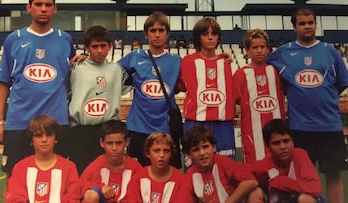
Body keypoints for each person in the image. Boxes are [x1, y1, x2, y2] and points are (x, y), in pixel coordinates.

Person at [267, 7, 348, 203]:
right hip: (299, 128)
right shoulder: (283, 53)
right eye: (302, 23)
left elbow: (341, 83)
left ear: (316, 24)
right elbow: (260, 66)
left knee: (334, 175)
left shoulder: (331, 52)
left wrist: (323, 98)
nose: (307, 27)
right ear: (294, 27)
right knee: (301, 179)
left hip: (330, 126)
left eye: (310, 22)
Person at [0, 0, 74, 177]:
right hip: (19, 122)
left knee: (57, 178)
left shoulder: (65, 40)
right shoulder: (14, 39)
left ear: (55, 8)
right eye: (38, 4)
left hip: (56, 122)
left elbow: (73, 78)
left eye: (48, 4)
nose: (43, 9)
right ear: (28, 7)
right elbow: (3, 82)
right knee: (14, 177)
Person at [117, 11, 182, 168]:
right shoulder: (134, 57)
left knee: (167, 176)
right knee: (137, 175)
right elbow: (106, 71)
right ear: (146, 34)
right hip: (139, 127)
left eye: (161, 30)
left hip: (165, 128)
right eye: (153, 31)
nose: (157, 35)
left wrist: (222, 59)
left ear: (167, 33)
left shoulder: (177, 61)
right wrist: (86, 59)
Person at [68, 25, 131, 174]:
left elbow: (133, 82)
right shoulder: (76, 68)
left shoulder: (117, 70)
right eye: (94, 46)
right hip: (80, 130)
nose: (99, 50)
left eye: (103, 46)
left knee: (108, 174)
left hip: (107, 130)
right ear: (87, 48)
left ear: (110, 46)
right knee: (81, 174)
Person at [176, 17, 236, 169]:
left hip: (222, 123)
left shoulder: (226, 62)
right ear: (198, 37)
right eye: (205, 34)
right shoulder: (187, 62)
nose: (210, 37)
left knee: (225, 169)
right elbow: (179, 86)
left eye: (214, 33)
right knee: (194, 169)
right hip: (195, 121)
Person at [233, 28, 285, 164]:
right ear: (247, 50)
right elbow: (234, 102)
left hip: (279, 134)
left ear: (268, 49)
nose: (259, 50)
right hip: (252, 137)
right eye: (255, 47)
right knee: (256, 176)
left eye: (263, 47)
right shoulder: (240, 74)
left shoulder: (276, 71)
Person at [6, 115, 80, 203]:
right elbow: (15, 197)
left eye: (49, 135)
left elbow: (73, 198)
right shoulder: (20, 168)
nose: (44, 139)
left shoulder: (69, 167)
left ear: (55, 138)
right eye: (39, 135)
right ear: (31, 140)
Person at [181, 125, 264, 203]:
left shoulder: (223, 163)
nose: (202, 153)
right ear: (189, 155)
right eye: (196, 150)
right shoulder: (190, 176)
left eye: (205, 147)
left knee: (256, 193)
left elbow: (251, 181)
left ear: (214, 147)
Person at [251, 119, 323, 203]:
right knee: (254, 192)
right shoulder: (262, 167)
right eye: (276, 143)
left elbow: (315, 188)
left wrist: (281, 182)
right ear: (267, 147)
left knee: (306, 199)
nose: (282, 147)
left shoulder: (300, 155)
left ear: (292, 141)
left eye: (286, 141)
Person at [79, 120, 142, 203]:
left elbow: (138, 197)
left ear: (127, 142)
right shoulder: (97, 164)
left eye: (119, 143)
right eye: (109, 143)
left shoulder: (135, 168)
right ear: (102, 143)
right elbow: (79, 186)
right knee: (90, 194)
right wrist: (101, 187)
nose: (114, 148)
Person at [122, 131, 194, 202]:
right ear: (147, 153)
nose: (161, 155)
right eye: (156, 151)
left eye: (166, 151)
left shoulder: (181, 181)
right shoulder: (137, 178)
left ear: (171, 154)